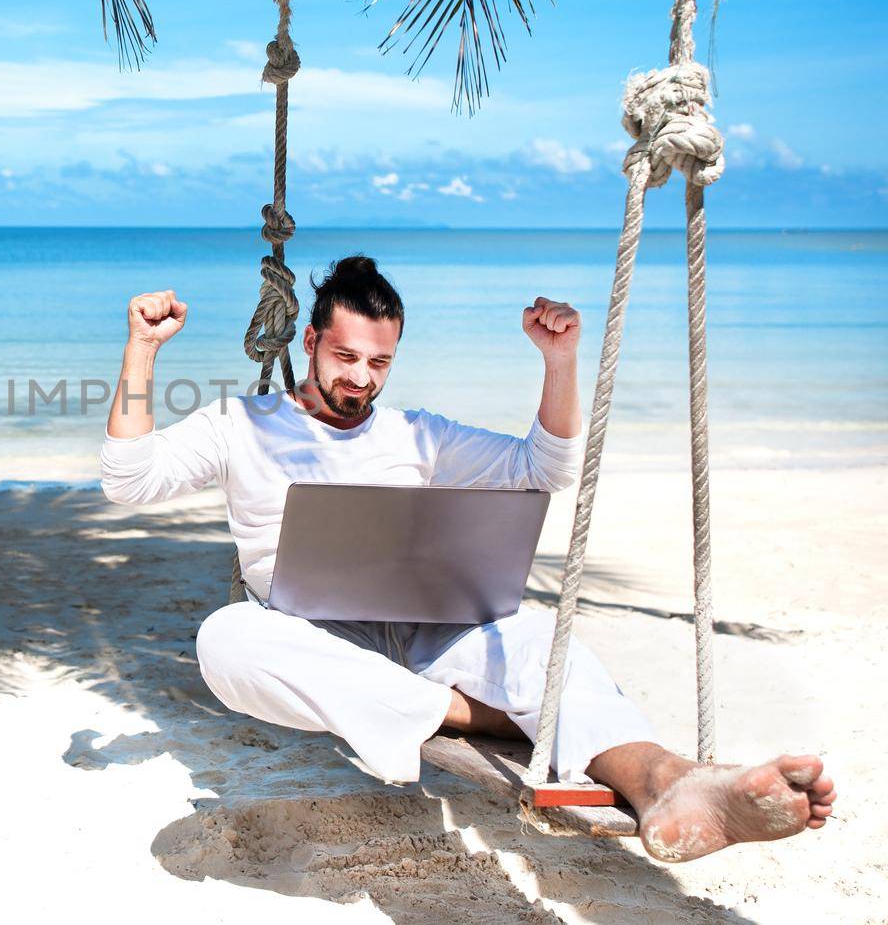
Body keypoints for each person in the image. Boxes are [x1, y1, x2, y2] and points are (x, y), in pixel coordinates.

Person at [98, 254, 836, 864]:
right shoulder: (241, 425)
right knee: (225, 639)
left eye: (380, 363)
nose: (361, 378)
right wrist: (143, 349)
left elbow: (543, 468)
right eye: (346, 356)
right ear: (313, 340)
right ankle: (465, 711)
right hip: (310, 640)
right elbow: (127, 480)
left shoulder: (419, 436)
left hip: (425, 631)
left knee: (541, 641)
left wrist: (559, 362)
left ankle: (672, 782)